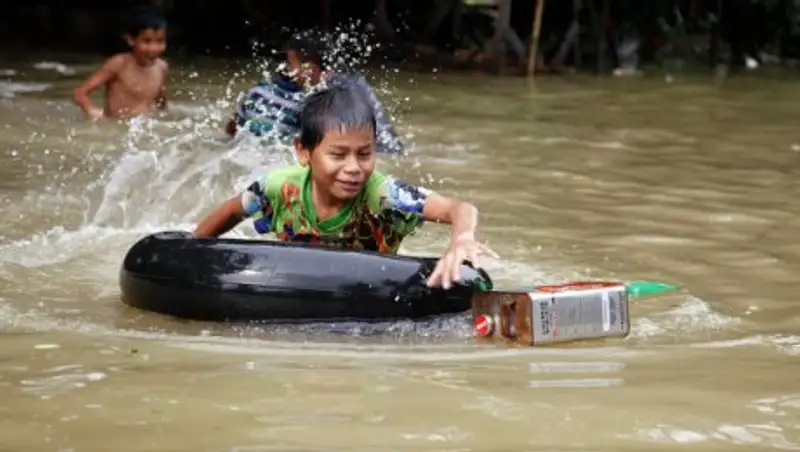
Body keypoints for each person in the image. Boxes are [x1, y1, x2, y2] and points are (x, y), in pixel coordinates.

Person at [197, 83, 497, 289]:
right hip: (299, 284)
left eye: (365, 154)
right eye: (338, 155)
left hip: (368, 287)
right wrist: (191, 250)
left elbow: (459, 208)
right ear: (303, 151)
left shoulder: (384, 195)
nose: (354, 168)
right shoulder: (276, 189)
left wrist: (462, 239)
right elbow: (230, 213)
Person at [226, 30, 406, 155]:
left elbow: (232, 128)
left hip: (380, 151)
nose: (284, 68)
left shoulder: (259, 91)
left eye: (289, 62)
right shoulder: (339, 87)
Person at [73, 8, 169, 121]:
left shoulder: (162, 67)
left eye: (160, 41)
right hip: (116, 126)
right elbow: (80, 93)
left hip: (145, 127)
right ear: (131, 40)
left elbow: (160, 102)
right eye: (146, 41)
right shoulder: (119, 64)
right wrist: (92, 111)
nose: (153, 48)